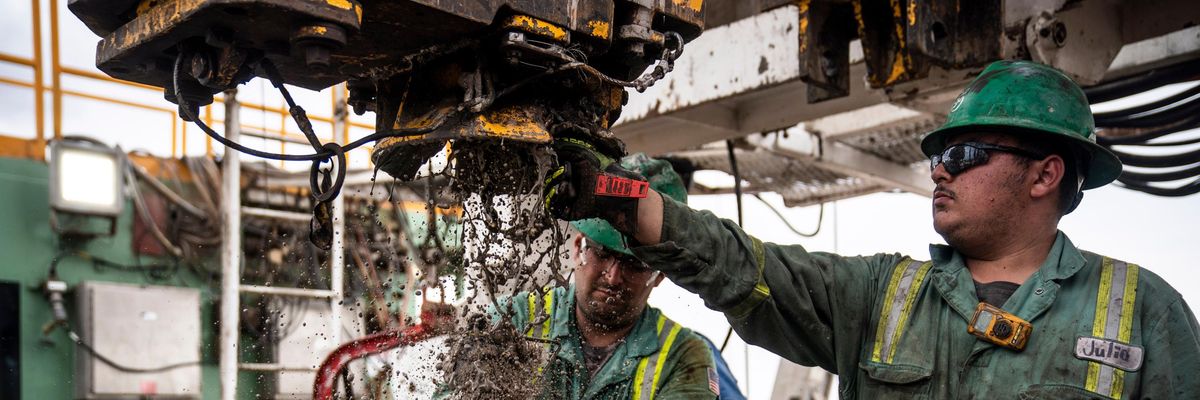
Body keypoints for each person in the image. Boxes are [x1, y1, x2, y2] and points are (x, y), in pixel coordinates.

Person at [545, 60, 1200, 398]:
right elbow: (744, 266)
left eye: (965, 156)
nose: (940, 171)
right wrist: (617, 198)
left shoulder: (1144, 316)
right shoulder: (880, 295)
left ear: (1045, 174)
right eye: (938, 156)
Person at [493, 154, 721, 399]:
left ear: (659, 275)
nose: (613, 277)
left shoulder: (682, 357)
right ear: (578, 247)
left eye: (634, 264)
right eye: (602, 253)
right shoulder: (515, 320)